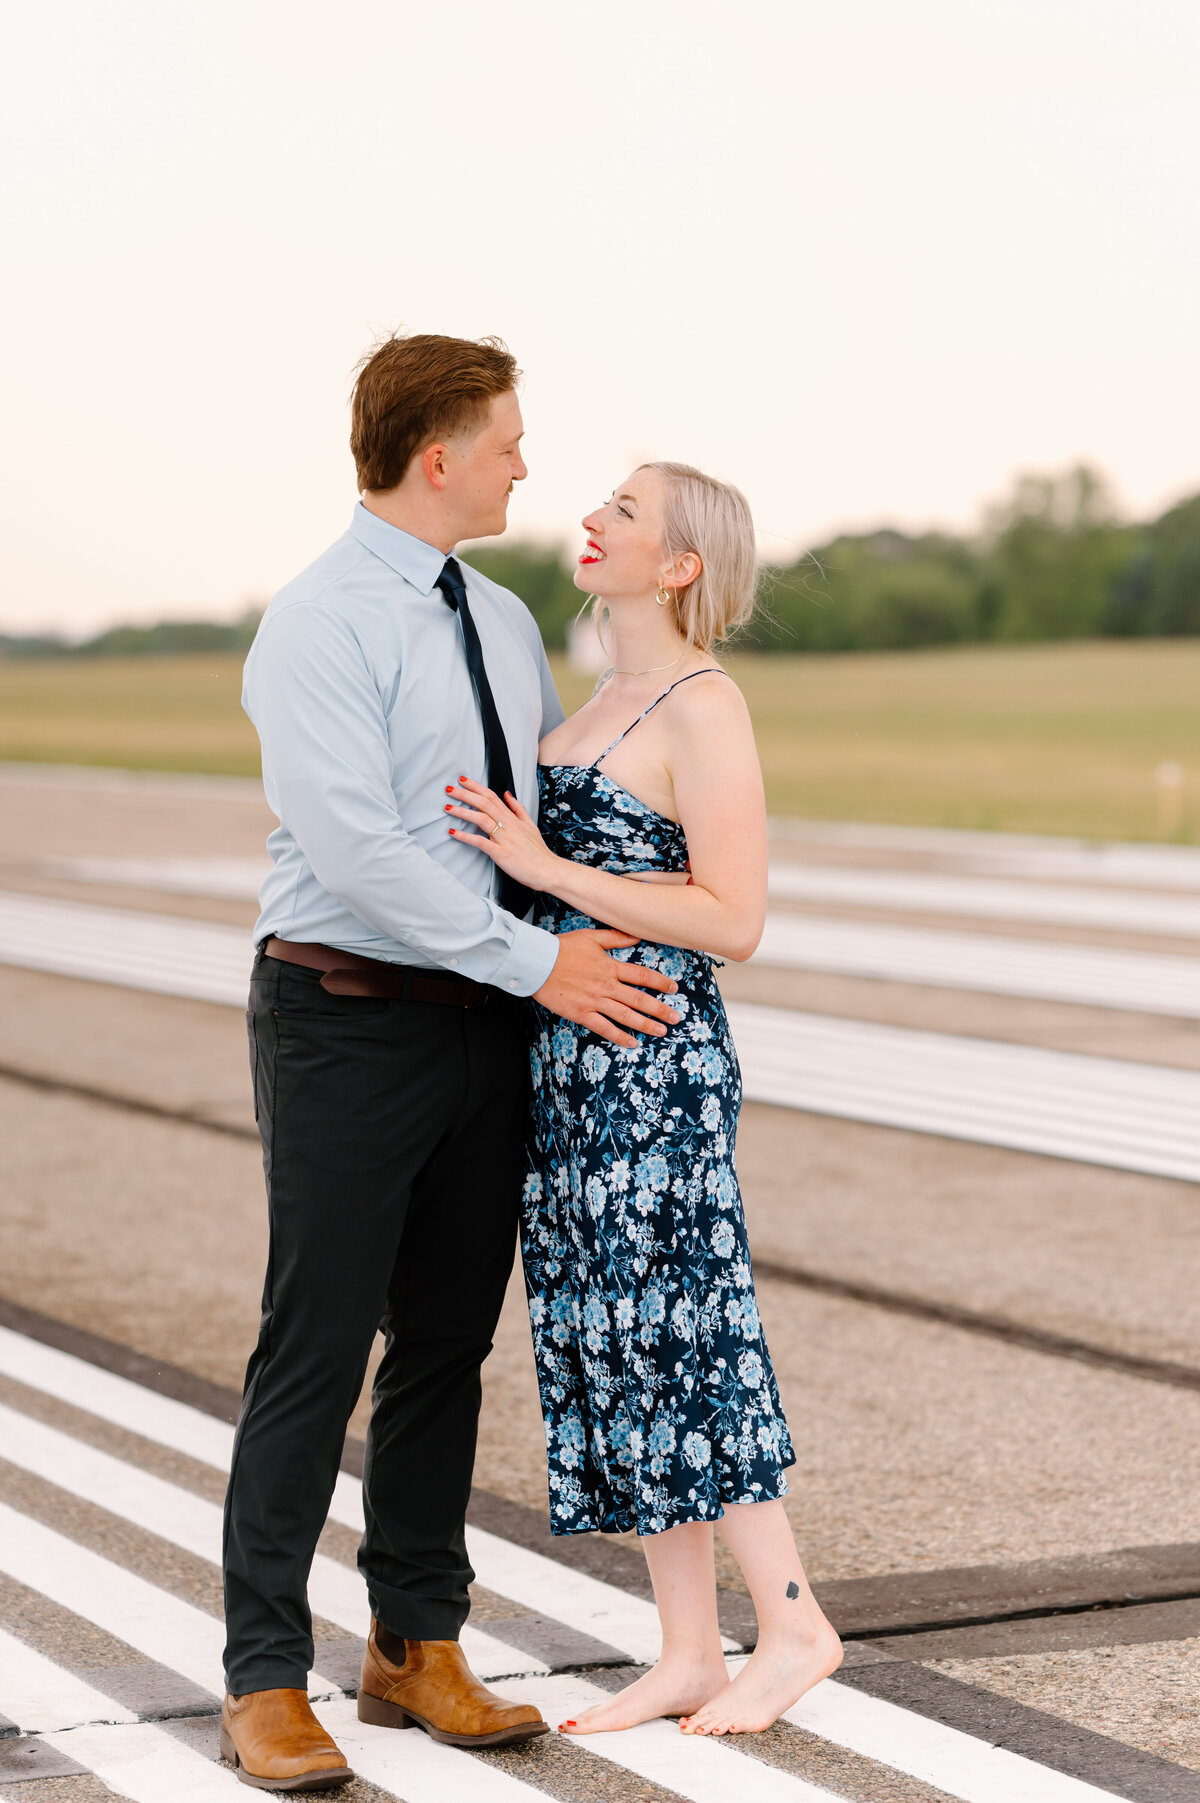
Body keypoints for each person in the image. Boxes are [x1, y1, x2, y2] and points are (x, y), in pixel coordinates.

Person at [221, 334, 682, 1792]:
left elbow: (526, 814)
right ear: (439, 457)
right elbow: (358, 848)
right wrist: (539, 961)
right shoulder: (314, 623)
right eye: (508, 440)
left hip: (486, 1023)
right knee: (316, 1342)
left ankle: (417, 1642)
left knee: (445, 1345)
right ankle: (264, 1676)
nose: (525, 464)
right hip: (349, 1013)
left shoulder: (496, 613)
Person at [444, 461, 843, 1737]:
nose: (592, 519)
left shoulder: (701, 703)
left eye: (624, 511)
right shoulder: (602, 694)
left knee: (686, 1330)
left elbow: (735, 917)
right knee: (610, 1339)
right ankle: (684, 1648)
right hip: (567, 1057)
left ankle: (790, 1622)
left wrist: (544, 861)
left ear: (680, 566)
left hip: (654, 1056)